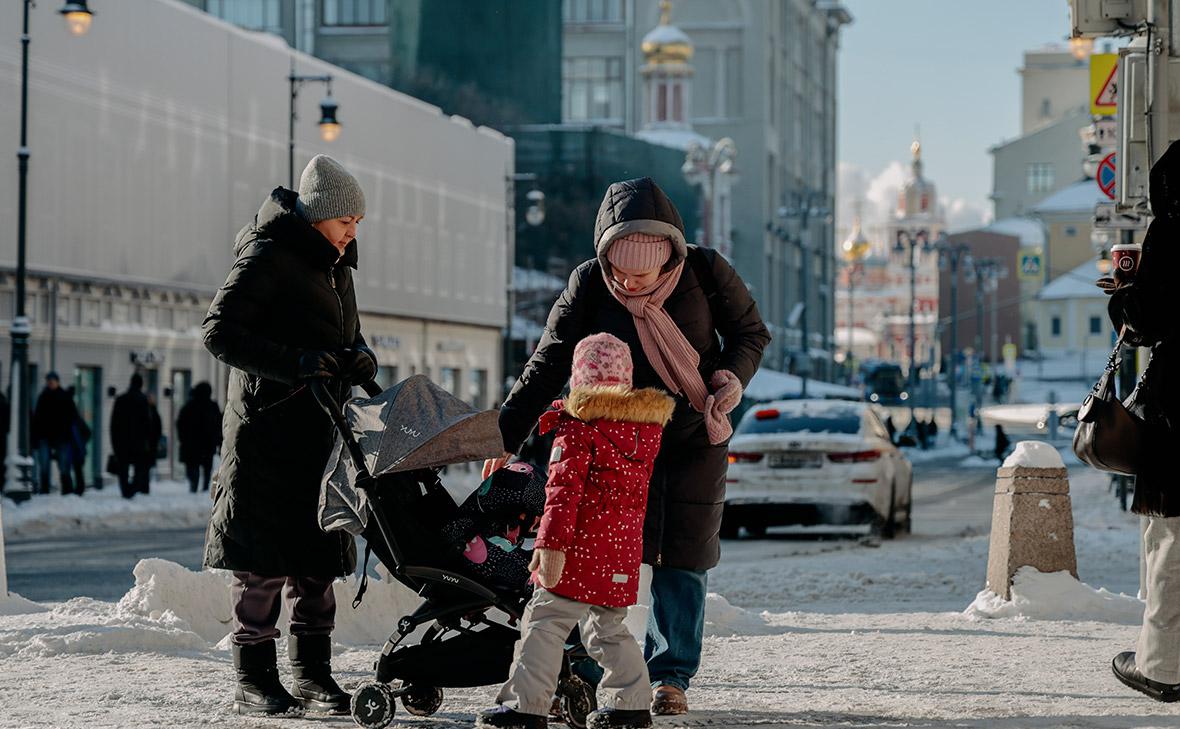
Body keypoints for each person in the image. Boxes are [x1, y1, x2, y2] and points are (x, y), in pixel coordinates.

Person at [485, 177, 770, 716]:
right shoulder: (590, 282)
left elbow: (751, 333)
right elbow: (547, 362)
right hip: (605, 442)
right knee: (590, 556)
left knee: (680, 558)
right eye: (618, 270)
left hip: (688, 437)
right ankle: (594, 673)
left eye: (640, 274)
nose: (628, 282)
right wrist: (506, 434)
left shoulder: (707, 271)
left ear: (668, 260)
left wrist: (733, 375)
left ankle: (669, 675)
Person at [202, 154, 376, 717]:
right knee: (263, 565)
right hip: (267, 433)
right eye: (347, 219)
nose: (354, 230)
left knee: (316, 560)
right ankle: (253, 679)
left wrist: (359, 358)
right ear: (319, 214)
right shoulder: (268, 254)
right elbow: (220, 332)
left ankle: (312, 674)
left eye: (357, 222)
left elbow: (345, 332)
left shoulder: (336, 265)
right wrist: (295, 361)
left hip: (321, 434)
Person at [478, 333, 676, 729]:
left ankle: (524, 706)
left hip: (574, 550)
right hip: (619, 552)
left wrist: (549, 547)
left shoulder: (579, 428)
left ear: (579, 378)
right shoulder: (643, 432)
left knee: (543, 623)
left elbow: (561, 495)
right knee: (607, 627)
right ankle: (631, 704)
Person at [1107, 140, 1180, 702]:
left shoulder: (1176, 227)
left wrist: (1124, 297)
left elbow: (1147, 319)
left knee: (1171, 538)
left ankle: (1162, 665)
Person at [31, 372, 79, 494]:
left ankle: (67, 490)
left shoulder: (64, 397)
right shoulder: (43, 397)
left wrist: (67, 433)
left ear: (57, 381)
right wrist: (36, 437)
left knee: (64, 465)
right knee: (44, 464)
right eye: (49, 380)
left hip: (61, 436)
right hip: (45, 436)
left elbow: (72, 417)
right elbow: (37, 418)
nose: (50, 383)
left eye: (52, 380)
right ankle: (45, 489)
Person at [110, 374, 156, 499]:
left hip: (122, 441)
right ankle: (133, 489)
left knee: (123, 468)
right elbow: (148, 423)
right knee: (139, 468)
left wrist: (114, 441)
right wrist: (148, 441)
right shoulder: (143, 400)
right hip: (138, 441)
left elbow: (114, 423)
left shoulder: (120, 399)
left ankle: (125, 490)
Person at [177, 382, 222, 493]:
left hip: (192, 444)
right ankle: (205, 487)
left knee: (193, 466)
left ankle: (194, 485)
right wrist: (218, 441)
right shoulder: (212, 406)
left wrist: (183, 439)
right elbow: (219, 425)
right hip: (208, 443)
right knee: (207, 467)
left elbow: (181, 424)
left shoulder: (189, 406)